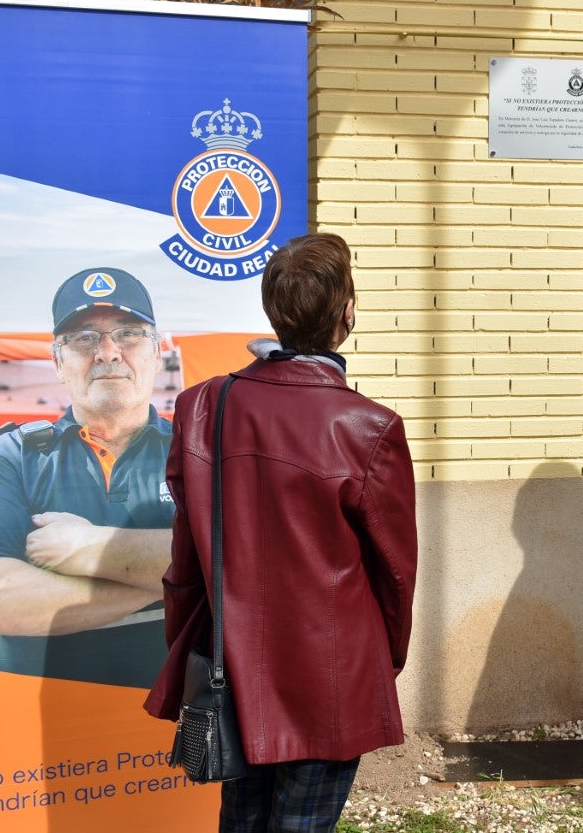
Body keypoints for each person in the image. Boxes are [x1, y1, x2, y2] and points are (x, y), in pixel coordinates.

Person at [145, 233, 418, 833]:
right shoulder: (370, 427)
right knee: (303, 824)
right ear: (348, 313)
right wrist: (385, 659)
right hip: (332, 668)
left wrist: (190, 643)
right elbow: (396, 574)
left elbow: (185, 560)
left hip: (230, 657)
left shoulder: (201, 407)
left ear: (273, 310)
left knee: (240, 822)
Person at [0, 267, 172, 687]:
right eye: (83, 338)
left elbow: (247, 559)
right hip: (41, 735)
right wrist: (178, 581)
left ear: (158, 354)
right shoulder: (8, 458)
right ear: (57, 363)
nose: (107, 352)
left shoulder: (201, 454)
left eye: (128, 334)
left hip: (177, 732)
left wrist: (90, 548)